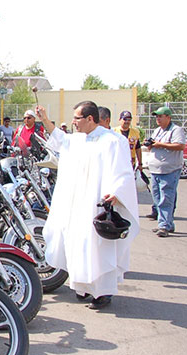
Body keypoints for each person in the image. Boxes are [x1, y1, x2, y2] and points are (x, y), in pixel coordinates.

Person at [37, 101, 139, 309]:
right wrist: (45, 119)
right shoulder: (78, 140)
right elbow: (59, 139)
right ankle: (83, 287)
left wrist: (117, 193)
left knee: (98, 249)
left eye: (77, 118)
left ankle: (103, 292)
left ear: (90, 119)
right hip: (77, 206)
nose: (73, 122)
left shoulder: (112, 141)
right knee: (78, 246)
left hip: (98, 205)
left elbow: (123, 172)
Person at [146, 106, 186, 237]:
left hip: (169, 170)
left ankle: (163, 226)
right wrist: (150, 144)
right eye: (156, 116)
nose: (157, 118)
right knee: (157, 199)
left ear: (168, 117)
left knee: (166, 199)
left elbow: (180, 146)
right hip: (155, 170)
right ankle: (167, 224)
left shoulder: (176, 130)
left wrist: (160, 144)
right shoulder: (157, 130)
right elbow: (154, 144)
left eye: (160, 116)